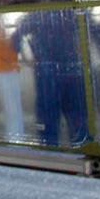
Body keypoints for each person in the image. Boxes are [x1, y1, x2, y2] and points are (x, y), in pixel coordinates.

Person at [11, 9, 89, 146]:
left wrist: (27, 56)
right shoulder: (72, 11)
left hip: (47, 72)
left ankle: (51, 155)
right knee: (78, 118)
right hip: (72, 69)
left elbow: (15, 39)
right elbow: (92, 31)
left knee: (48, 120)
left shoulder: (37, 13)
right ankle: (82, 151)